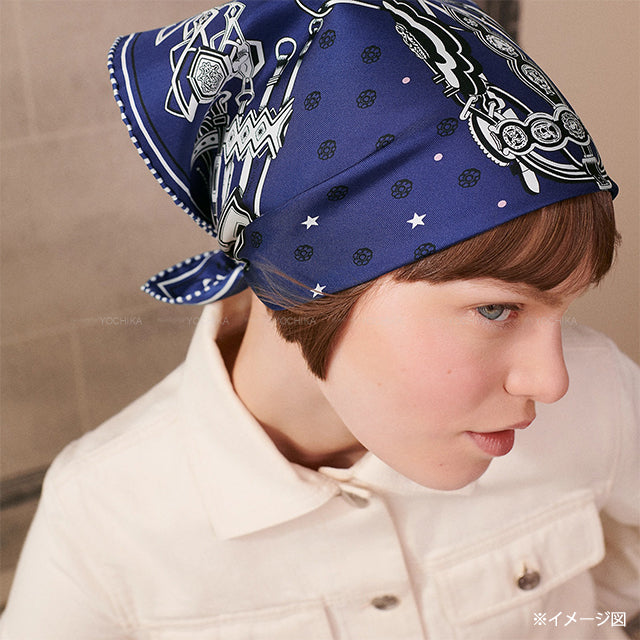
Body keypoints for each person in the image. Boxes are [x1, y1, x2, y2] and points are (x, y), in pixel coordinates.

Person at [1, 0, 638, 638]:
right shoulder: (101, 519)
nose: (551, 381)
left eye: (562, 308)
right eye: (495, 309)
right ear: (313, 278)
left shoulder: (599, 395)